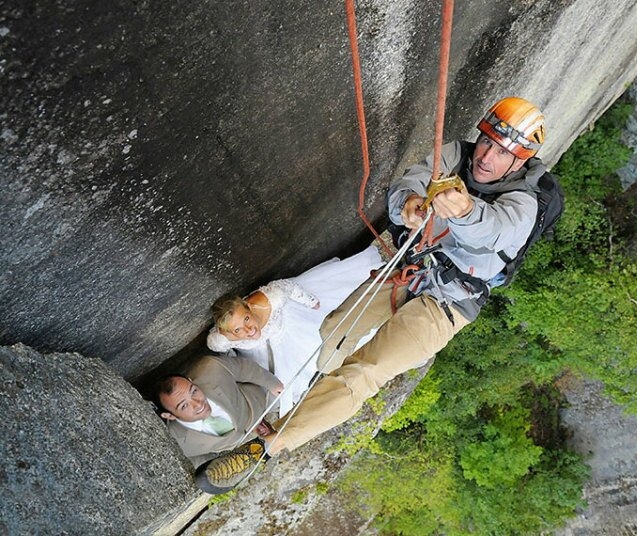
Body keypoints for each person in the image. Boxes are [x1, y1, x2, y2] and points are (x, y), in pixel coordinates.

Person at [266, 96, 550, 454]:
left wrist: (464, 210)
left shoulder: (524, 202)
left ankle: (274, 442)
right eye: (487, 142)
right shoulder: (457, 154)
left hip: (451, 301)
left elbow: (494, 231)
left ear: (519, 161)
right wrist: (407, 205)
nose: (486, 158)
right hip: (410, 268)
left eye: (501, 153)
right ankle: (319, 390)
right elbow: (411, 180)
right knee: (334, 331)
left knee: (365, 372)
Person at [206, 246, 383, 417]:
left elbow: (289, 288)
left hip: (292, 328)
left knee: (325, 337)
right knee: (282, 381)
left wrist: (312, 302)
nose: (249, 329)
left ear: (249, 307)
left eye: (246, 318)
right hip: (268, 353)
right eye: (238, 330)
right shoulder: (222, 339)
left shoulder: (268, 300)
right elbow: (218, 347)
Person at [154, 355, 283, 468]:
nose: (198, 404)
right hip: (241, 448)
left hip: (261, 404)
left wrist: (271, 383)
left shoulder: (211, 368)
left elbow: (243, 368)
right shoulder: (177, 443)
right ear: (169, 416)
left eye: (194, 391)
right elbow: (191, 462)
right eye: (184, 406)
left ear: (191, 381)